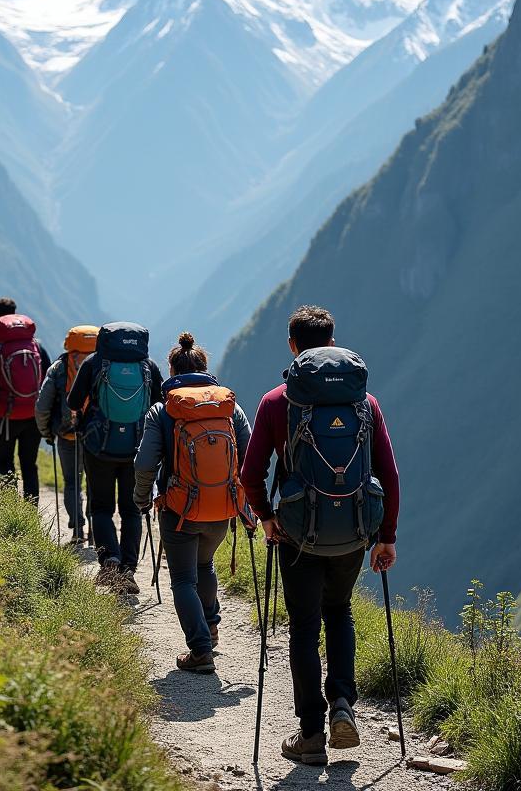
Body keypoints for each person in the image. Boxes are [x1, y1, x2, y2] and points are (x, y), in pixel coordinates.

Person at [240, 305, 400, 766]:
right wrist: (385, 536)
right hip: (352, 533)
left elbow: (251, 473)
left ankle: (310, 734)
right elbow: (388, 474)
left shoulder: (276, 402)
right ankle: (343, 708)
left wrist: (268, 517)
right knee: (340, 612)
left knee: (304, 627)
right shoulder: (364, 404)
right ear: (333, 342)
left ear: (293, 346)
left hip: (296, 536)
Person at [134, 333, 253, 673]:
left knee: (184, 579)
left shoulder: (164, 409)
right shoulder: (230, 407)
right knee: (205, 565)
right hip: (222, 508)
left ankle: (201, 650)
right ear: (205, 369)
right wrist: (243, 498)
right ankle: (211, 624)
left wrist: (142, 498)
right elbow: (251, 456)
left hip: (180, 509)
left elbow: (144, 464)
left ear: (171, 370)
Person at [68, 322, 163, 593]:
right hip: (137, 448)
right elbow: (160, 405)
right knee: (132, 509)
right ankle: (128, 570)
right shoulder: (148, 367)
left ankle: (109, 560)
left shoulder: (94, 362)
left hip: (99, 446)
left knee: (101, 508)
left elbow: (73, 402)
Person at [0, 302, 51, 501]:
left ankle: (10, 506)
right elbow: (49, 376)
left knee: (5, 462)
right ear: (15, 315)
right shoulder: (36, 346)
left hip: (5, 415)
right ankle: (31, 510)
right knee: (29, 464)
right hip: (33, 415)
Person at [35, 325, 98, 542]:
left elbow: (42, 405)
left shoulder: (58, 368)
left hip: (67, 434)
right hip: (97, 436)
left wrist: (46, 431)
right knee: (94, 482)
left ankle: (78, 530)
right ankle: (95, 530)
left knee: (72, 482)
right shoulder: (103, 365)